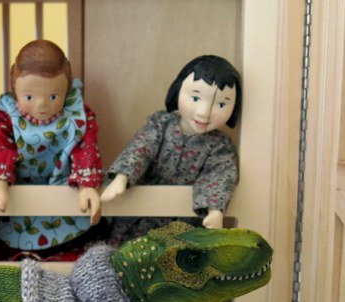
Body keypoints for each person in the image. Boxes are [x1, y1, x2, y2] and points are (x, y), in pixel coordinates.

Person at [0, 39, 103, 257]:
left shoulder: (75, 114)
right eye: (29, 97)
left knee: (85, 236)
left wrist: (87, 185)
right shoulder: (6, 114)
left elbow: (85, 146)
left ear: (66, 89)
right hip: (18, 189)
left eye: (53, 96)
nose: (42, 105)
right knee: (6, 236)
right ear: (14, 88)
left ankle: (64, 251)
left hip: (65, 187)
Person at [101, 55, 242, 229]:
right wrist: (122, 177)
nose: (204, 112)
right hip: (141, 211)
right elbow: (142, 147)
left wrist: (215, 211)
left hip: (183, 223)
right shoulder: (161, 124)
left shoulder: (220, 146)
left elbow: (219, 174)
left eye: (221, 104)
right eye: (195, 98)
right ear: (178, 90)